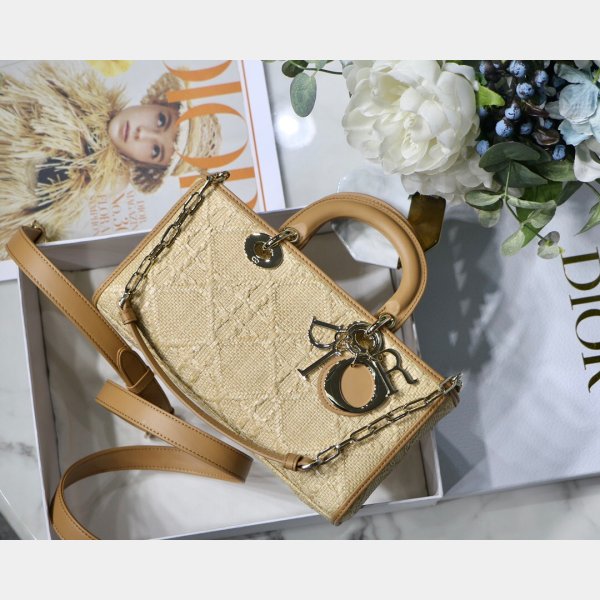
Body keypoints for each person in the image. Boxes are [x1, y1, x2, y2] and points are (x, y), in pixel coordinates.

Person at [0, 61, 221, 259]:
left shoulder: (86, 187)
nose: (142, 133)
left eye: (155, 150)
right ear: (157, 102)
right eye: (161, 120)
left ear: (147, 165)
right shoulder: (75, 86)